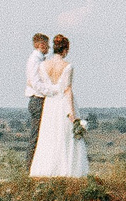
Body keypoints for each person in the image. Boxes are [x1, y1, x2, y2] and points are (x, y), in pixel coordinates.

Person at [27, 33, 90, 177]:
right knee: (65, 136)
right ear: (66, 50)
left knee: (49, 136)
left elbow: (35, 83)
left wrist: (51, 92)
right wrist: (72, 114)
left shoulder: (43, 65)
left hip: (49, 103)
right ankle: (65, 170)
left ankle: (47, 170)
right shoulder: (68, 66)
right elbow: (68, 90)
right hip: (62, 102)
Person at [23, 33, 55, 163]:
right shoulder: (34, 60)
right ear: (41, 45)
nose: (49, 48)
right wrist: (50, 92)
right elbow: (35, 82)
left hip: (40, 99)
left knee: (42, 135)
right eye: (47, 45)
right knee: (36, 135)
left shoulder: (40, 59)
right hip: (37, 99)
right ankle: (29, 167)